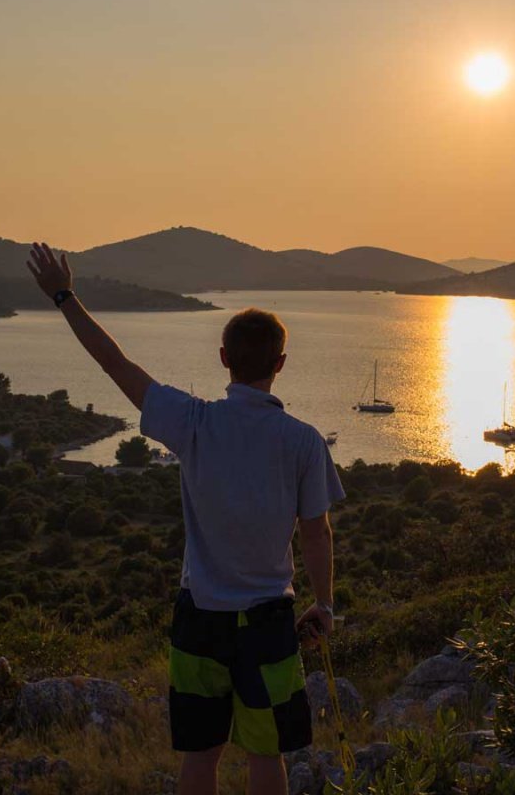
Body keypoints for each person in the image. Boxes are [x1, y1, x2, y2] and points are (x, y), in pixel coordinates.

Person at [26, 243, 344, 795]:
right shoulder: (304, 442)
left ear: (224, 359)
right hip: (268, 623)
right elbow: (317, 533)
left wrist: (64, 296)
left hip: (200, 619)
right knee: (266, 755)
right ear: (280, 364)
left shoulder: (194, 422)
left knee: (200, 758)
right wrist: (325, 604)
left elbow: (115, 364)